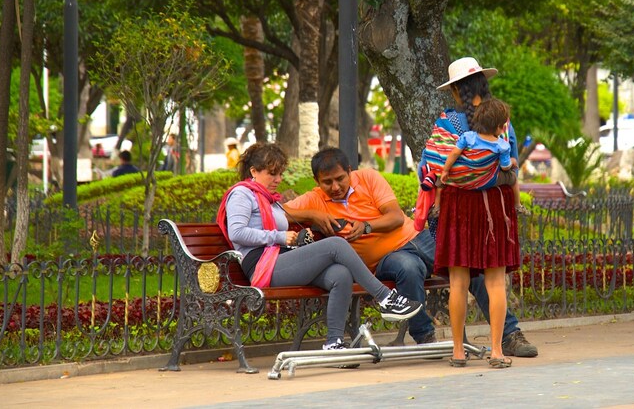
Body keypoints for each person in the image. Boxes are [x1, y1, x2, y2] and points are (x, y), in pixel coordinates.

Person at [283, 147, 539, 357]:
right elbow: (278, 212)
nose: (336, 186)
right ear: (317, 182)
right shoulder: (314, 198)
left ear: (350, 171)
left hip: (417, 237)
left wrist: (367, 226)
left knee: (469, 268)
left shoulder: (369, 178)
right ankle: (426, 338)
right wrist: (313, 214)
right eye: (327, 182)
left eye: (340, 178)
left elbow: (395, 218)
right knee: (409, 269)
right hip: (386, 259)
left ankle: (509, 335)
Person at [218, 142, 423, 357]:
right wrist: (279, 236)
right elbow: (237, 233)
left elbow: (289, 216)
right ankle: (385, 298)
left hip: (280, 258)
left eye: (280, 174)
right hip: (262, 265)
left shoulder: (267, 199)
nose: (278, 180)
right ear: (253, 171)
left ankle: (334, 344)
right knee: (336, 245)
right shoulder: (242, 194)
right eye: (272, 174)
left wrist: (306, 225)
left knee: (340, 274)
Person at [426, 56, 520, 368]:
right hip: (495, 205)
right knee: (495, 282)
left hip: (458, 206)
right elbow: (512, 166)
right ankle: (496, 350)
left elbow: (433, 166)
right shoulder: (500, 121)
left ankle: (457, 351)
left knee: (458, 282)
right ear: (483, 83)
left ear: (456, 91)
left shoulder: (448, 123)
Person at [438, 97, 522, 213]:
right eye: (502, 126)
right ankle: (517, 205)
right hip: (488, 181)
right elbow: (504, 167)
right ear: (498, 126)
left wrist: (446, 170)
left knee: (439, 177)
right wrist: (513, 162)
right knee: (512, 178)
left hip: (464, 178)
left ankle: (436, 207)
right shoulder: (502, 145)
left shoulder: (468, 137)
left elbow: (454, 153)